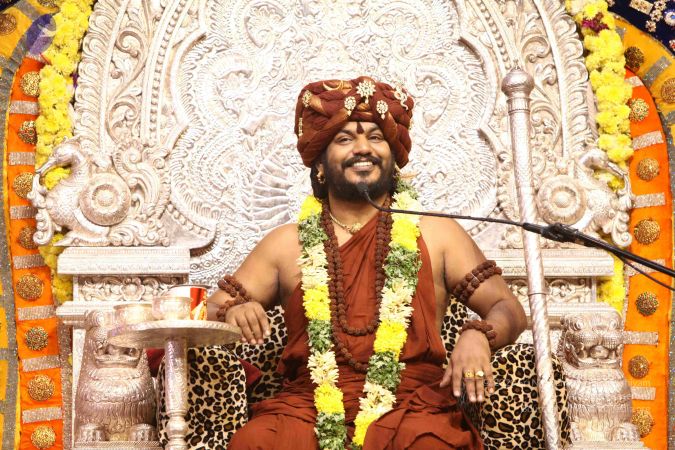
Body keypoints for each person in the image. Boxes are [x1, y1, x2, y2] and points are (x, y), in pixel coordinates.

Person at [207, 76, 527, 450]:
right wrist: (233, 309)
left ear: (393, 157)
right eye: (345, 139)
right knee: (255, 442)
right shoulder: (285, 244)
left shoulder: (437, 233)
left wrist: (479, 334)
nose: (363, 148)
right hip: (307, 409)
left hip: (410, 408)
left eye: (376, 137)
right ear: (320, 163)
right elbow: (209, 310)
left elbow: (508, 308)